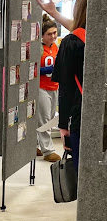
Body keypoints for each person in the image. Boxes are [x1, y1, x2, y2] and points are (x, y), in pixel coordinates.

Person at [51, 0, 88, 221]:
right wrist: (53, 13)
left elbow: (65, 89)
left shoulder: (71, 43)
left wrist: (63, 127)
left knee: (83, 173)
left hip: (79, 116)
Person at [37, 14, 61, 163]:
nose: (53, 36)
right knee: (44, 120)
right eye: (49, 34)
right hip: (41, 87)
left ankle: (35, 145)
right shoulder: (38, 49)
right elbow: (30, 69)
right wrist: (45, 70)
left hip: (54, 87)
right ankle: (48, 150)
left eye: (55, 33)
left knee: (50, 119)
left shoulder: (56, 47)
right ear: (42, 35)